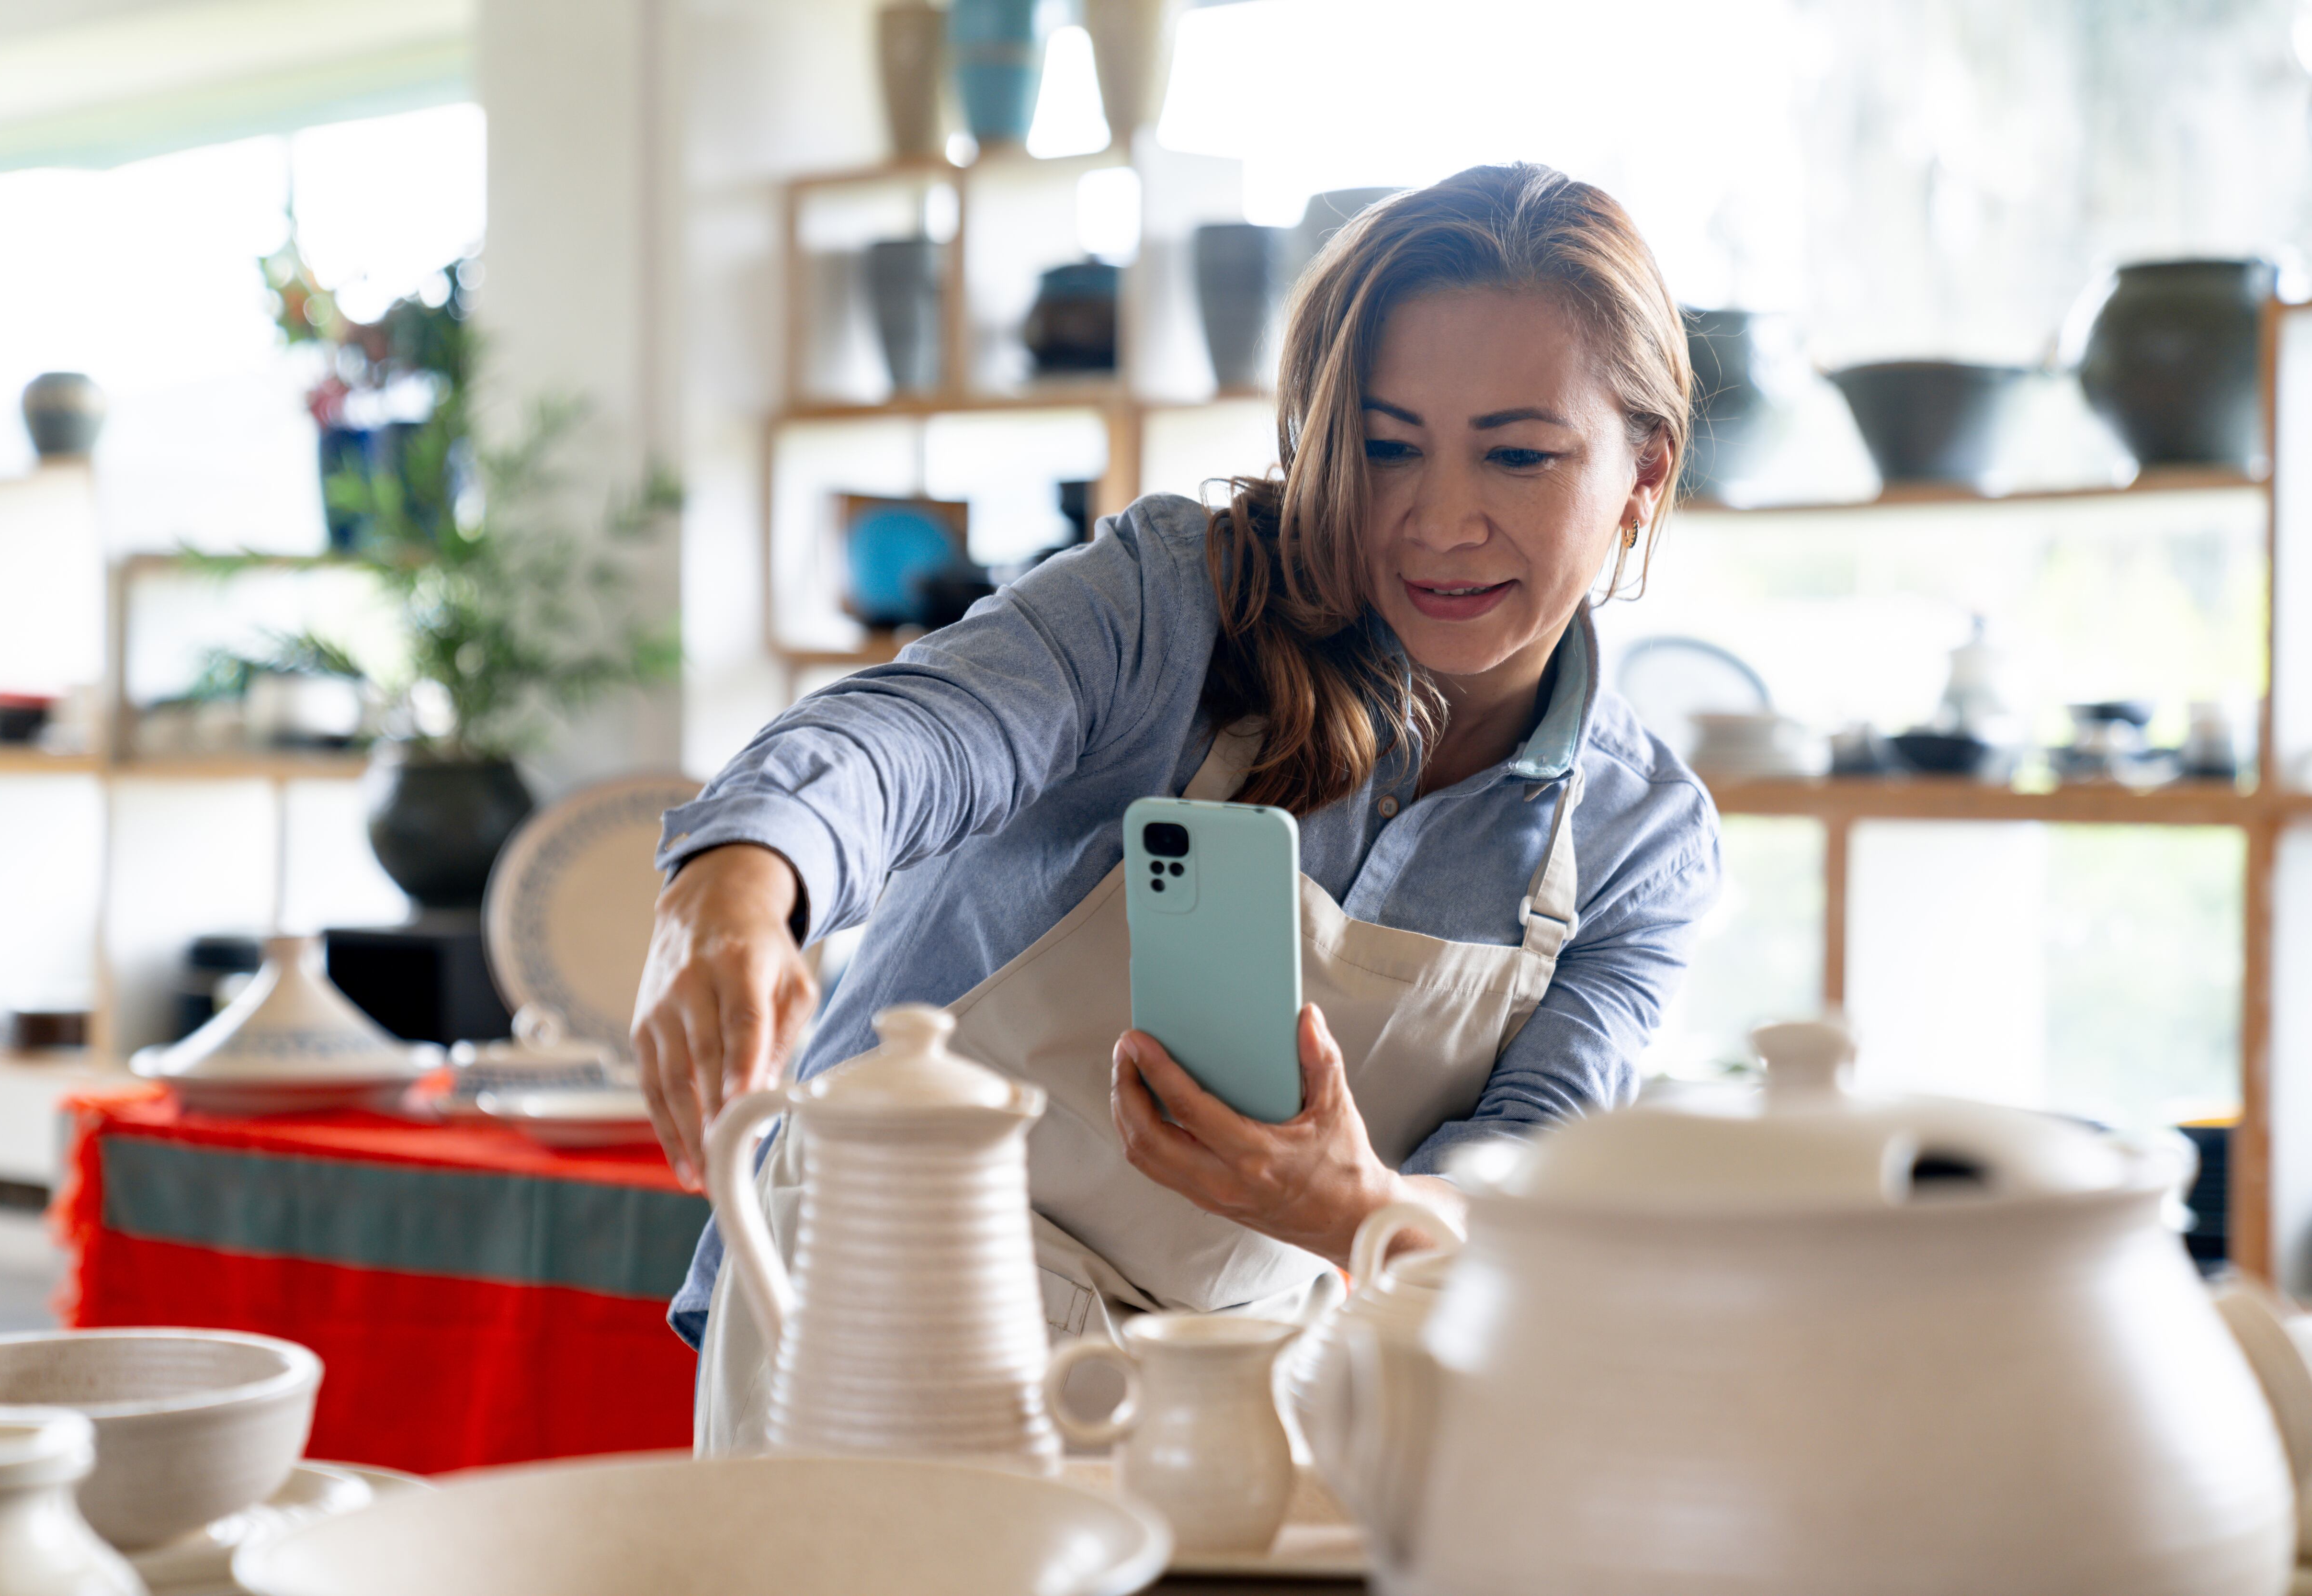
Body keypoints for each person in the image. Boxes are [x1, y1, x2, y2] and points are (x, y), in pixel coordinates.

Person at [634, 161, 1722, 1451]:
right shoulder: (1176, 600)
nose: (1439, 520)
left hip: (1239, 1390)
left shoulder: (1643, 842)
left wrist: (1349, 1206)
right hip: (899, 1293)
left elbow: (1522, 1207)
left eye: (1519, 455)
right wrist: (741, 881)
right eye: (1383, 448)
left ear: (1643, 473)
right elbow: (914, 736)